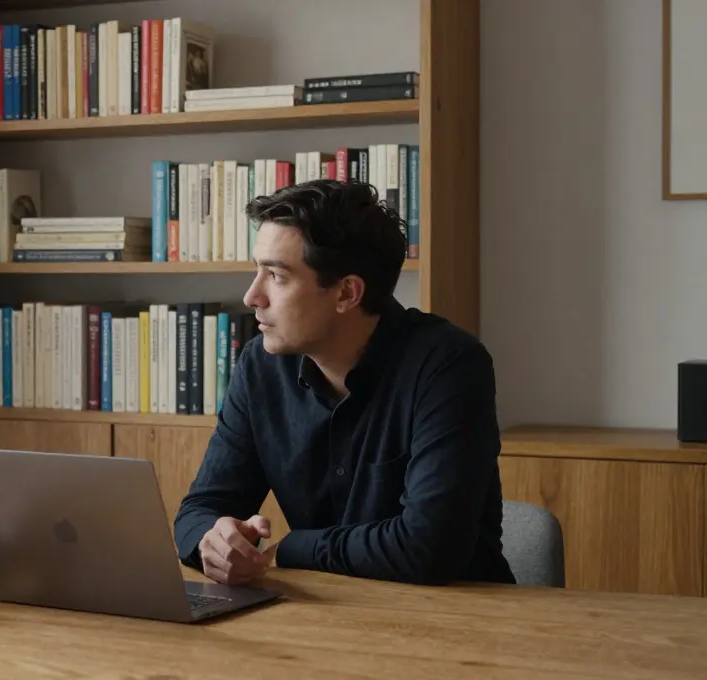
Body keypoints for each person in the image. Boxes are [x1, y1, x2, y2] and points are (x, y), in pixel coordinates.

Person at [173, 179, 515, 588]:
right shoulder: (259, 366)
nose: (251, 296)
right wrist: (213, 543)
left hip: (457, 618)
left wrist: (291, 549)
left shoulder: (449, 366)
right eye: (256, 270)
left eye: (277, 276)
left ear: (347, 293)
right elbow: (201, 509)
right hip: (325, 617)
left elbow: (429, 547)